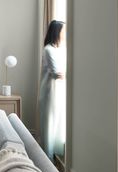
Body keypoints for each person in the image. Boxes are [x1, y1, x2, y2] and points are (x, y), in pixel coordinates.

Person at [39, 20, 66, 161]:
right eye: (63, 31)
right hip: (50, 92)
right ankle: (47, 158)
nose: (65, 34)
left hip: (59, 92)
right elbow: (57, 73)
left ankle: (54, 155)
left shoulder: (59, 50)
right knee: (49, 124)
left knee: (57, 124)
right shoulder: (48, 49)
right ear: (57, 32)